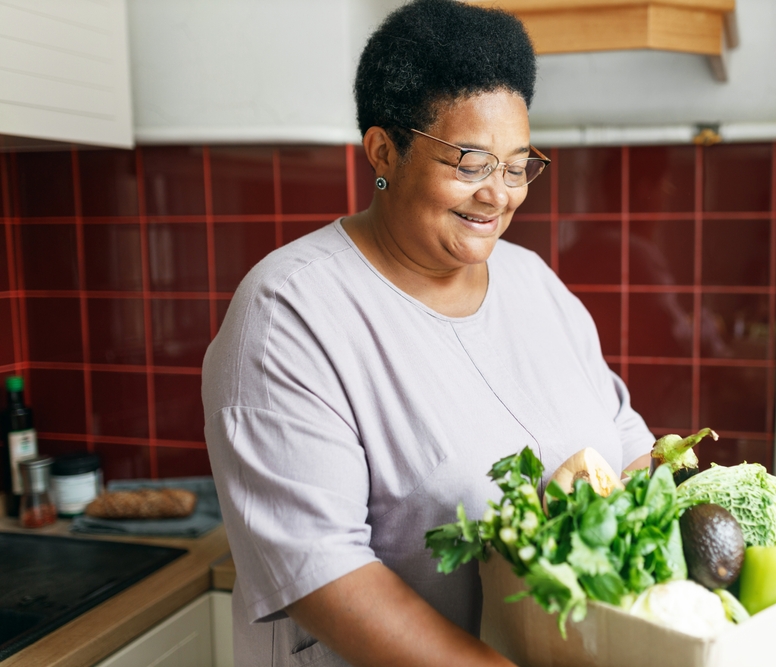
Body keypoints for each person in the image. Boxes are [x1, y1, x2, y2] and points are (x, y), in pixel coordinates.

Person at [202, 1, 654, 664]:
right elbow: (324, 573)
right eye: (470, 163)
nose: (499, 195)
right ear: (385, 150)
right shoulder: (290, 314)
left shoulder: (535, 285)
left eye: (518, 164)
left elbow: (629, 452)